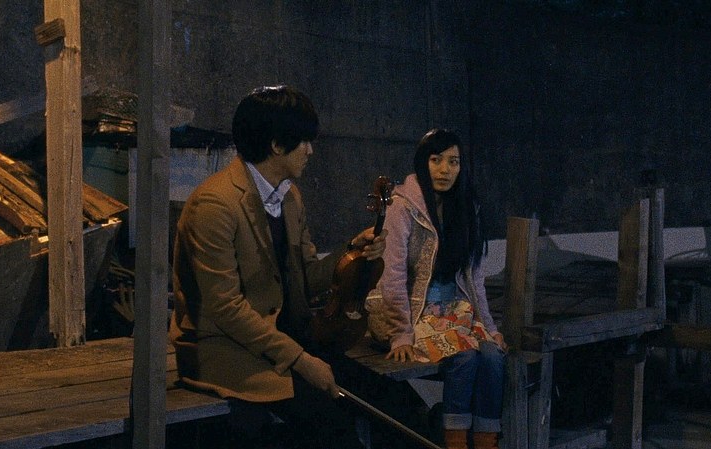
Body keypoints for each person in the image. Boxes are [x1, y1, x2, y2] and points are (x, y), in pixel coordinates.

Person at [168, 85, 385, 448]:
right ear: (276, 145)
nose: (310, 150)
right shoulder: (214, 204)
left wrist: (352, 251)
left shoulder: (289, 197)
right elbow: (225, 309)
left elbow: (306, 279)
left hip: (283, 344)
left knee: (392, 398)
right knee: (334, 429)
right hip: (228, 353)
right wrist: (301, 360)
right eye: (304, 141)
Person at [366, 128, 506, 449]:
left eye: (453, 162)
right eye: (436, 160)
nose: (445, 170)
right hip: (414, 315)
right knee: (465, 356)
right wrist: (401, 334)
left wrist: (489, 327)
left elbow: (475, 277)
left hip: (454, 311)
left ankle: (486, 441)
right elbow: (392, 275)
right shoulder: (403, 207)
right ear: (422, 162)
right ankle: (454, 440)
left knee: (493, 356)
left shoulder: (465, 207)